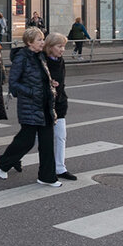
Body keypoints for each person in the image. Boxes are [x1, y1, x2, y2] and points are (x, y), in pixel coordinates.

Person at [0, 28, 59, 187]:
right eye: (39, 40)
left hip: (45, 106)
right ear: (30, 42)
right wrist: (31, 92)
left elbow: (41, 78)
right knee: (26, 141)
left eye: (42, 39)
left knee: (47, 143)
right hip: (30, 106)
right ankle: (3, 162)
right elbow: (13, 84)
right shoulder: (22, 57)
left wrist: (50, 84)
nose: (42, 43)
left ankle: (47, 177)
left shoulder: (40, 56)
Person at [43, 32, 77, 181]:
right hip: (45, 105)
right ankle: (12, 159)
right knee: (34, 139)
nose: (63, 49)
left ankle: (60, 168)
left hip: (59, 104)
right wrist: (48, 83)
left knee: (61, 136)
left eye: (64, 46)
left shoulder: (60, 60)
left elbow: (61, 83)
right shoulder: (42, 60)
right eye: (59, 46)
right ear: (50, 47)